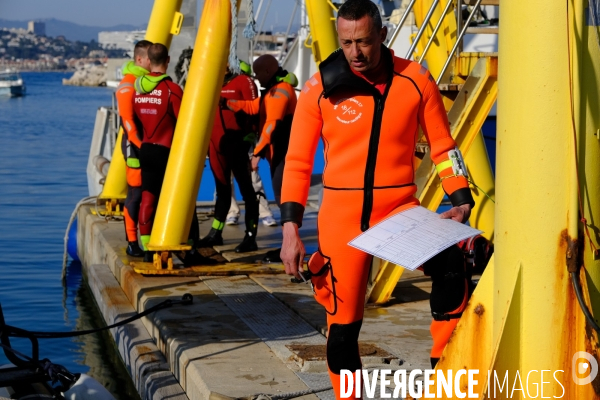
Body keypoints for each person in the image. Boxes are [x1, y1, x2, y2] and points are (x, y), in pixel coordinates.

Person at [279, 0, 475, 398]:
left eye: (364, 42)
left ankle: (444, 377)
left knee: (453, 265)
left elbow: (442, 146)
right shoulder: (320, 88)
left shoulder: (415, 80)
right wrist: (290, 229)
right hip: (341, 219)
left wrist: (460, 196)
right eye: (346, 42)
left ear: (382, 35)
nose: (355, 52)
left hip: (399, 209)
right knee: (342, 332)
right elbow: (298, 162)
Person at [132, 43, 206, 264]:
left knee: (148, 198)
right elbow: (184, 124)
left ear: (148, 60)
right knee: (185, 199)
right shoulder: (172, 90)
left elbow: (135, 122)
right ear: (168, 60)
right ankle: (191, 250)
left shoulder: (139, 89)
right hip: (167, 153)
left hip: (145, 150)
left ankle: (147, 249)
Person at [223, 54, 298, 261]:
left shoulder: (280, 91)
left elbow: (271, 125)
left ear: (267, 72)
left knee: (285, 200)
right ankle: (287, 246)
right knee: (281, 199)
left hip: (284, 155)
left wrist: (256, 153)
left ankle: (289, 248)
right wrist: (228, 102)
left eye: (257, 73)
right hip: (278, 154)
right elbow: (254, 107)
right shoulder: (272, 91)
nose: (255, 77)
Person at [198, 63, 260, 253]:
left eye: (225, 60)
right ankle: (216, 233)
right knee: (222, 191)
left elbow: (256, 111)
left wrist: (251, 141)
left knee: (247, 191)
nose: (222, 64)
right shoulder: (209, 83)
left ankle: (250, 236)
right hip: (216, 147)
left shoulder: (243, 81)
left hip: (238, 145)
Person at [115, 39, 152, 257]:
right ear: (139, 59)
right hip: (134, 147)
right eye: (150, 58)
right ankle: (132, 242)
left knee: (148, 193)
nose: (153, 62)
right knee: (135, 194)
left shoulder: (144, 81)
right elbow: (128, 123)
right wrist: (142, 147)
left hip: (145, 145)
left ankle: (146, 240)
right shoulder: (128, 84)